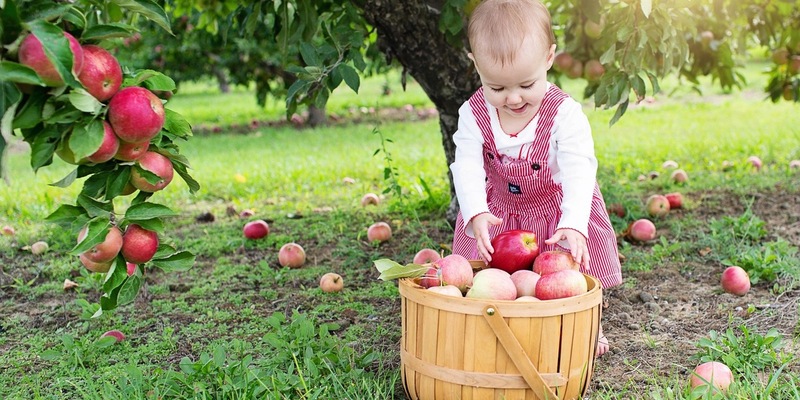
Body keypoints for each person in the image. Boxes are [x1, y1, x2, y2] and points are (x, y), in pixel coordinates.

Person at [450, 0, 623, 357]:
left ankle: (587, 326)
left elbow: (580, 169)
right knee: (494, 278)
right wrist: (476, 212)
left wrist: (575, 223)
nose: (513, 98)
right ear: (475, 65)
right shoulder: (473, 112)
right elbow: (466, 164)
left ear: (549, 58)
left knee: (567, 275)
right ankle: (498, 326)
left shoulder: (564, 113)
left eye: (526, 84)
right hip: (501, 210)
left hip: (556, 211)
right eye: (496, 88)